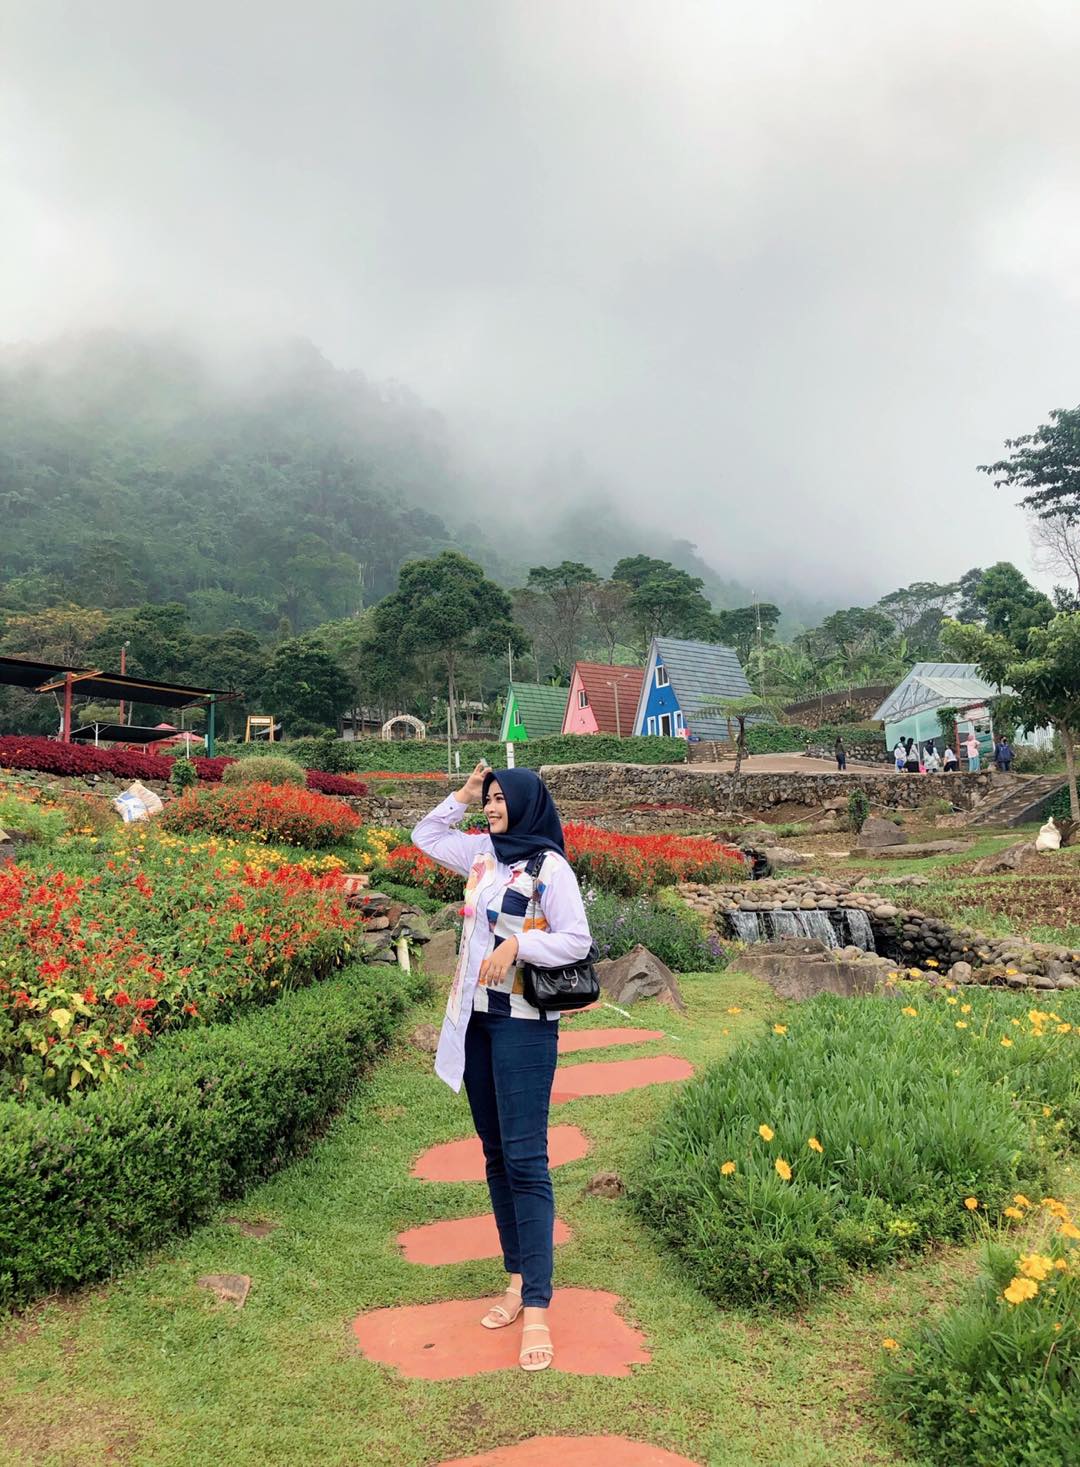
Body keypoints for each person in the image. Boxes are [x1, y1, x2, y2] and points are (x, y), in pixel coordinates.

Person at [411, 763, 593, 1374]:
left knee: (525, 1159)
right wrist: (458, 796)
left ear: (524, 803)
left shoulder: (549, 867)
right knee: (493, 1154)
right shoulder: (484, 857)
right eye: (485, 799)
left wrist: (519, 945)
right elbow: (426, 838)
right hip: (478, 1024)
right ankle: (515, 1280)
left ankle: (538, 1306)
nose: (490, 808)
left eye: (496, 800)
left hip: (523, 1026)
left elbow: (577, 940)